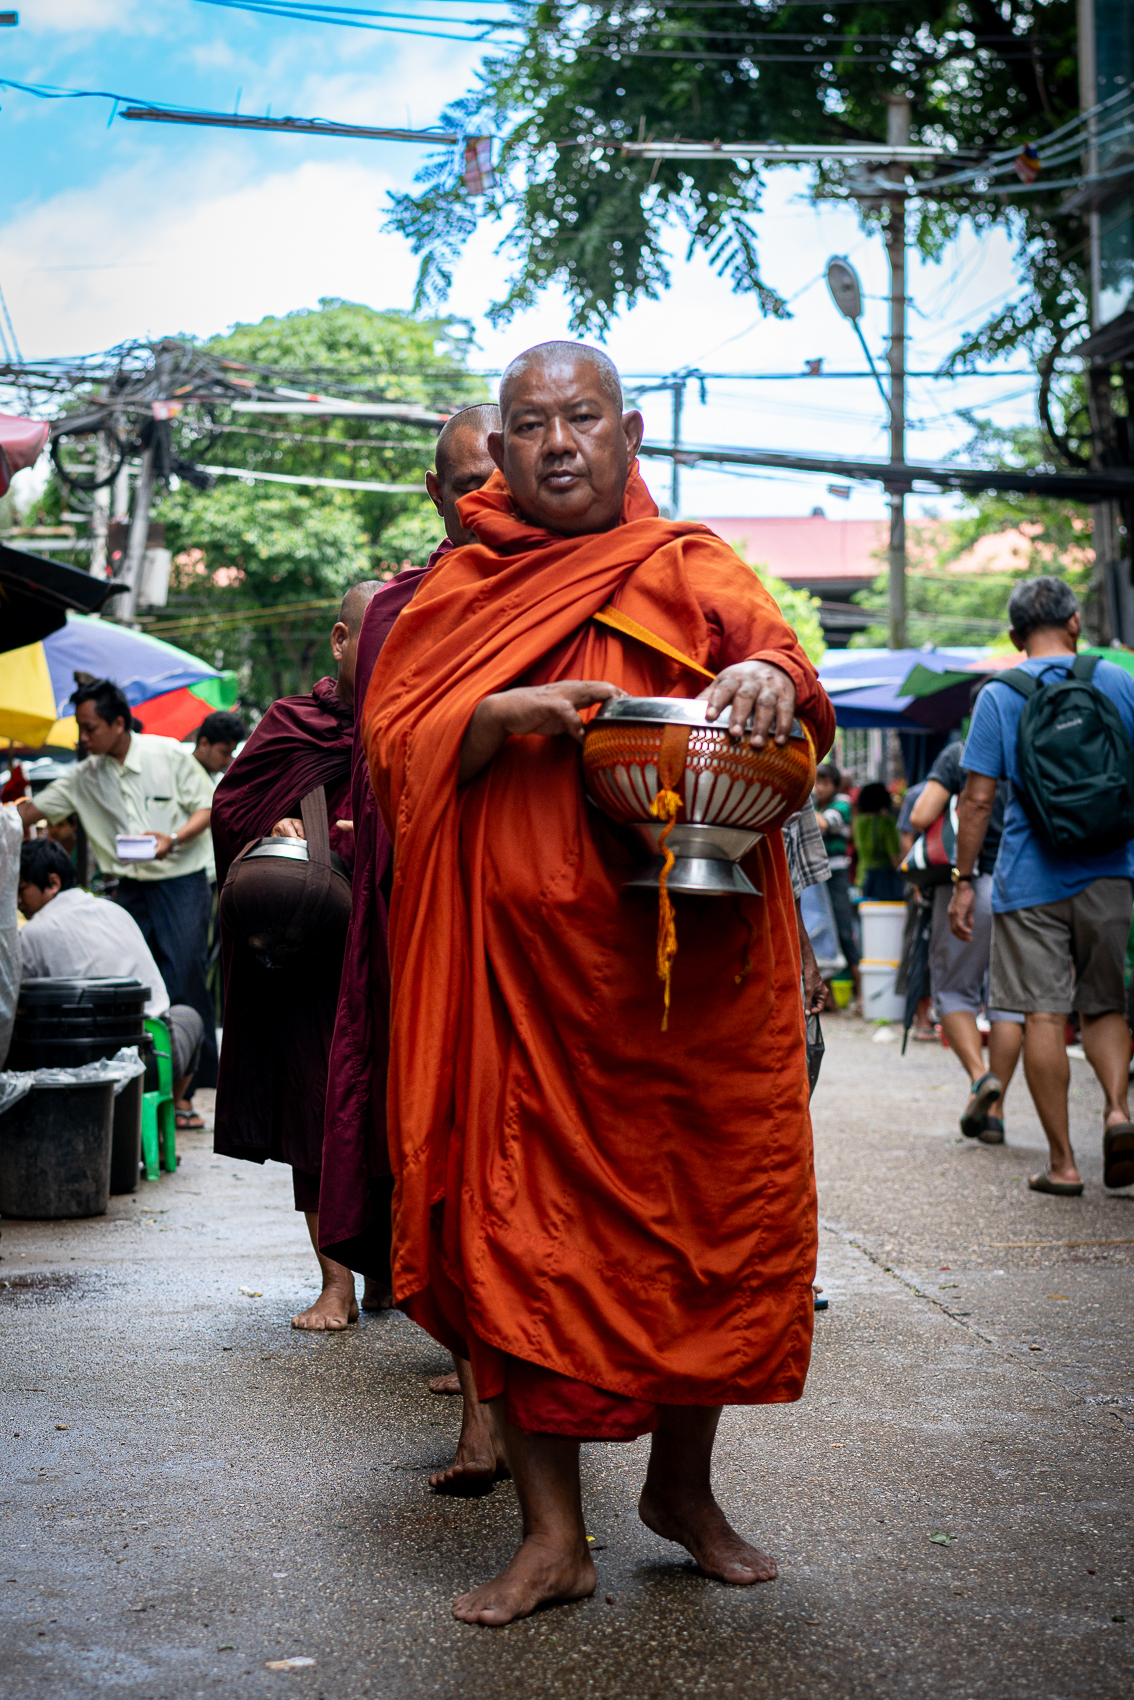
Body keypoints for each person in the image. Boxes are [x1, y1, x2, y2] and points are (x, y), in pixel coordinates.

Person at [363, 340, 835, 1624]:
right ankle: (552, 1536)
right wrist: (506, 717)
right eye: (532, 424)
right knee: (517, 1232)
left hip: (692, 979)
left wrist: (764, 679)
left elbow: (796, 689)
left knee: (710, 1226)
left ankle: (684, 1488)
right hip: (522, 989)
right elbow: (394, 752)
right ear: (497, 452)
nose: (559, 441)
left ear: (629, 435)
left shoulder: (693, 562)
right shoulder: (459, 589)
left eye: (583, 417)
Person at [318, 404, 509, 1491]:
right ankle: (483, 1411)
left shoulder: (593, 576)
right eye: (464, 479)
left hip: (548, 914)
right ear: (435, 493)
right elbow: (389, 756)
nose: (486, 493)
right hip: (425, 912)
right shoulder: (402, 607)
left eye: (501, 472)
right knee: (442, 1154)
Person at [210, 582, 387, 1330]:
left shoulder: (413, 720)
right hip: (314, 951)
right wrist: (284, 825)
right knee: (318, 1110)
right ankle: (336, 1285)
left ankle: (394, 1277)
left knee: (391, 1113)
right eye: (369, 639)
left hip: (391, 943)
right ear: (341, 641)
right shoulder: (295, 723)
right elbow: (231, 809)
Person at [950, 576, 1134, 1195]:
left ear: (1014, 636)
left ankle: (1063, 1164)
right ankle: (1116, 1111)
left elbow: (977, 800)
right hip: (1112, 868)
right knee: (1105, 1003)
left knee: (1044, 1016)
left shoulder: (1000, 695)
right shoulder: (1115, 680)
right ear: (1076, 622)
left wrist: (962, 881)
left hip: (1031, 878)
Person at [16, 680, 217, 1104]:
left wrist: (173, 839)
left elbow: (208, 806)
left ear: (119, 723)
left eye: (90, 728)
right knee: (127, 981)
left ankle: (188, 1090)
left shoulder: (166, 754)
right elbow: (30, 812)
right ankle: (133, 1077)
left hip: (181, 877)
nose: (83, 738)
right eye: (80, 729)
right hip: (128, 887)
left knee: (183, 974)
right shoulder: (83, 777)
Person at [17, 837, 204, 1103]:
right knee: (188, 1016)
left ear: (53, 883)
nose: (18, 901)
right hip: (150, 1063)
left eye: (22, 890)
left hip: (81, 1070)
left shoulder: (32, 934)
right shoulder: (115, 911)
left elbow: (20, 1006)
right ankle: (165, 1116)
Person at [909, 739, 1023, 1140]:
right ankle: (996, 1112)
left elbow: (922, 814)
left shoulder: (961, 753)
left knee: (954, 991)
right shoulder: (1032, 747)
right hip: (1026, 888)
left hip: (970, 885)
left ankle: (980, 1078)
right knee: (1007, 1002)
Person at [811, 763, 860, 1003]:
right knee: (819, 932)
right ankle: (826, 998)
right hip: (815, 877)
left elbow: (823, 823)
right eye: (816, 782)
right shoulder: (812, 803)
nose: (819, 788)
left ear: (835, 785)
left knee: (843, 930)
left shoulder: (843, 804)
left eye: (825, 783)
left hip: (836, 875)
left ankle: (861, 994)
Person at [853, 780, 905, 901]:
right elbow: (894, 857)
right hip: (884, 883)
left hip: (862, 877)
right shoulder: (886, 822)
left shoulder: (857, 821)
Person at [193, 711, 246, 781]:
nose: (228, 761)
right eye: (224, 752)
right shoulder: (176, 768)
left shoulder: (221, 783)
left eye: (231, 753)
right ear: (204, 744)